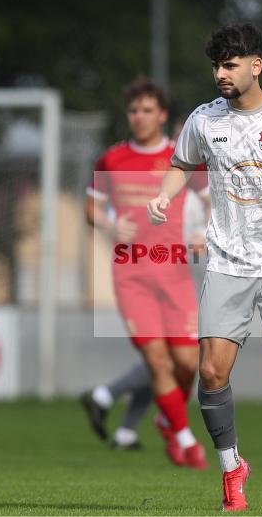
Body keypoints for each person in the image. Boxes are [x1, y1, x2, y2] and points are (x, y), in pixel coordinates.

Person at [148, 23, 262, 511]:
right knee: (211, 374)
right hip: (228, 261)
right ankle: (233, 467)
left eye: (230, 65)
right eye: (216, 66)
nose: (220, 74)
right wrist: (164, 197)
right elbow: (179, 163)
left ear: (256, 66)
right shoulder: (204, 120)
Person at [81, 78, 209, 469]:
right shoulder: (112, 160)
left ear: (162, 115)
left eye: (148, 110)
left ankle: (166, 419)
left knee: (188, 363)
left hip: (173, 271)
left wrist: (203, 230)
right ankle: (184, 437)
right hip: (131, 273)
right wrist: (108, 225)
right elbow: (92, 209)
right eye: (134, 110)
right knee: (155, 359)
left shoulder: (182, 157)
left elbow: (210, 201)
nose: (140, 117)